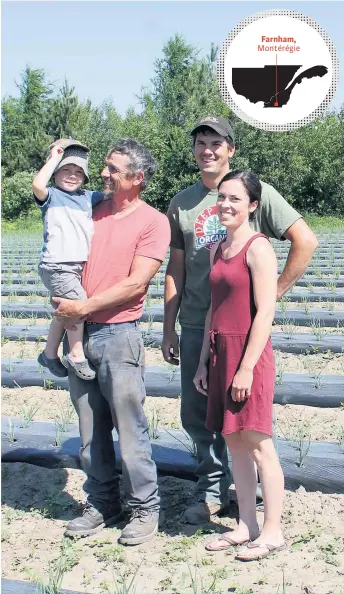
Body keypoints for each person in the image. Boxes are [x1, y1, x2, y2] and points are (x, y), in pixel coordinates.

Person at [162, 115, 318, 525]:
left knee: (245, 413)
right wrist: (168, 327)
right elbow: (175, 270)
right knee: (199, 415)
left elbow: (306, 240)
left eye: (216, 143)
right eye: (201, 143)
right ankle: (212, 489)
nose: (208, 150)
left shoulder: (255, 192)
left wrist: (273, 293)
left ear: (231, 149)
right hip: (198, 323)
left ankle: (251, 497)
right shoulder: (182, 202)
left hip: (241, 328)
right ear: (194, 151)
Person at [52, 138, 171, 545]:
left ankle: (144, 507)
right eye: (104, 166)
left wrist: (81, 309)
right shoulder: (92, 210)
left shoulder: (153, 221)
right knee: (90, 429)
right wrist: (58, 156)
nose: (104, 173)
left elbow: (137, 282)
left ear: (137, 179)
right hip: (80, 334)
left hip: (119, 334)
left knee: (129, 427)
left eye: (113, 169)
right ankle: (102, 502)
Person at [193, 170, 285, 561]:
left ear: (251, 205)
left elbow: (265, 311)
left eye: (235, 198)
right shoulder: (218, 248)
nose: (226, 204)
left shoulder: (257, 248)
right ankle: (246, 523)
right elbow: (214, 308)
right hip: (219, 353)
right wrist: (202, 363)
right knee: (234, 442)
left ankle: (272, 531)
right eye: (222, 197)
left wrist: (246, 368)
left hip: (249, 353)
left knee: (259, 442)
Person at [33, 139, 104, 381]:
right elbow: (37, 183)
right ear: (55, 174)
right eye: (66, 170)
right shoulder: (51, 196)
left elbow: (113, 192)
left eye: (78, 172)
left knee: (65, 310)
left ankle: (49, 354)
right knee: (78, 305)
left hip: (76, 266)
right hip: (56, 265)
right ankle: (76, 355)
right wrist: (54, 158)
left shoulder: (88, 198)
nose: (72, 176)